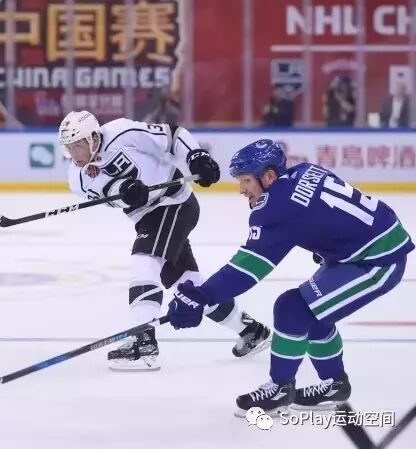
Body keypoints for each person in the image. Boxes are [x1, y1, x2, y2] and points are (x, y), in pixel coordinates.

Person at [166, 139, 413, 415]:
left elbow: (247, 269)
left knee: (292, 309)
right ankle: (335, 384)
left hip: (378, 260)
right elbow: (327, 210)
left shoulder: (278, 208)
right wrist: (329, 242)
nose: (241, 189)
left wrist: (202, 296)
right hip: (372, 244)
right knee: (315, 312)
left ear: (269, 176)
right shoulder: (305, 170)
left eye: (246, 180)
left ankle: (280, 389)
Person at [58, 111, 272, 371]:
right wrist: (124, 192)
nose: (74, 154)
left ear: (93, 137)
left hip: (173, 202)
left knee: (144, 260)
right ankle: (251, 331)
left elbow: (172, 137)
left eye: (78, 145)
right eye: (69, 148)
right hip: (146, 217)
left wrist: (196, 156)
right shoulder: (78, 178)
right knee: (188, 287)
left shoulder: (121, 131)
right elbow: (110, 194)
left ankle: (142, 342)